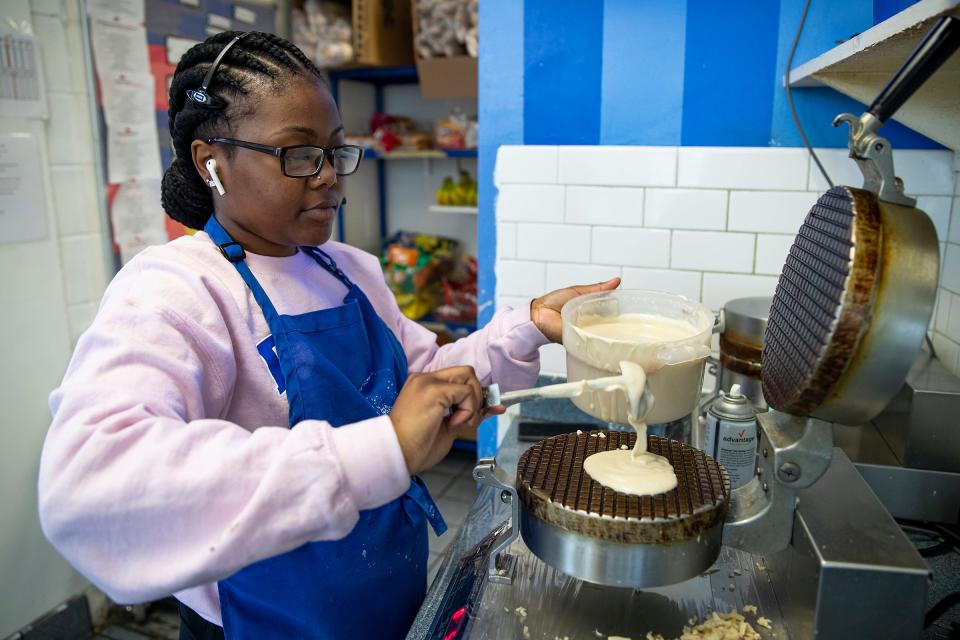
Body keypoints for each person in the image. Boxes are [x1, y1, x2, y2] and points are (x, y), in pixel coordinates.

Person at [37, 31, 619, 640]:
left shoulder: (347, 267)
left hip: (383, 591)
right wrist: (380, 449)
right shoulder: (176, 290)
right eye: (297, 154)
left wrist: (525, 327)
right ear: (212, 161)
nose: (327, 178)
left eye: (336, 151)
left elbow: (423, 375)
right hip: (268, 619)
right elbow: (90, 482)